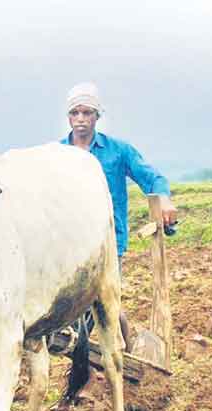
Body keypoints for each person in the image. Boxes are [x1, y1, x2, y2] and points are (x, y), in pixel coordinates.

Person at [60, 82, 177, 271]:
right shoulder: (56, 155)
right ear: (68, 117)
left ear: (97, 115)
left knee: (108, 299)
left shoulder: (119, 151)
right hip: (67, 245)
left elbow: (153, 178)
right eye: (75, 113)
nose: (80, 118)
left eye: (87, 113)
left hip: (109, 242)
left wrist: (163, 198)